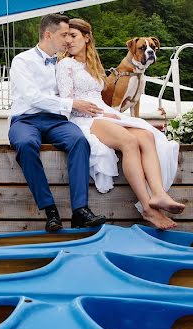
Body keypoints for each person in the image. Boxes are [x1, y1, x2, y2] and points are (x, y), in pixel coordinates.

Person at [56, 18, 184, 230]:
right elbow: (67, 101)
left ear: (87, 38)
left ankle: (159, 194)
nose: (68, 40)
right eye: (66, 36)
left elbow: (101, 95)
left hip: (103, 112)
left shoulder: (93, 64)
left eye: (73, 35)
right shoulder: (65, 65)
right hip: (84, 118)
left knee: (147, 135)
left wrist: (109, 113)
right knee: (129, 141)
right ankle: (148, 208)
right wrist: (100, 113)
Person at [8, 13, 107, 232]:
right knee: (25, 145)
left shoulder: (63, 63)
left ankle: (80, 210)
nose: (67, 40)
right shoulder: (22, 61)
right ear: (48, 34)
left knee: (79, 142)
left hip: (55, 120)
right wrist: (71, 104)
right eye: (64, 35)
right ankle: (50, 209)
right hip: (26, 119)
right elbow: (33, 97)